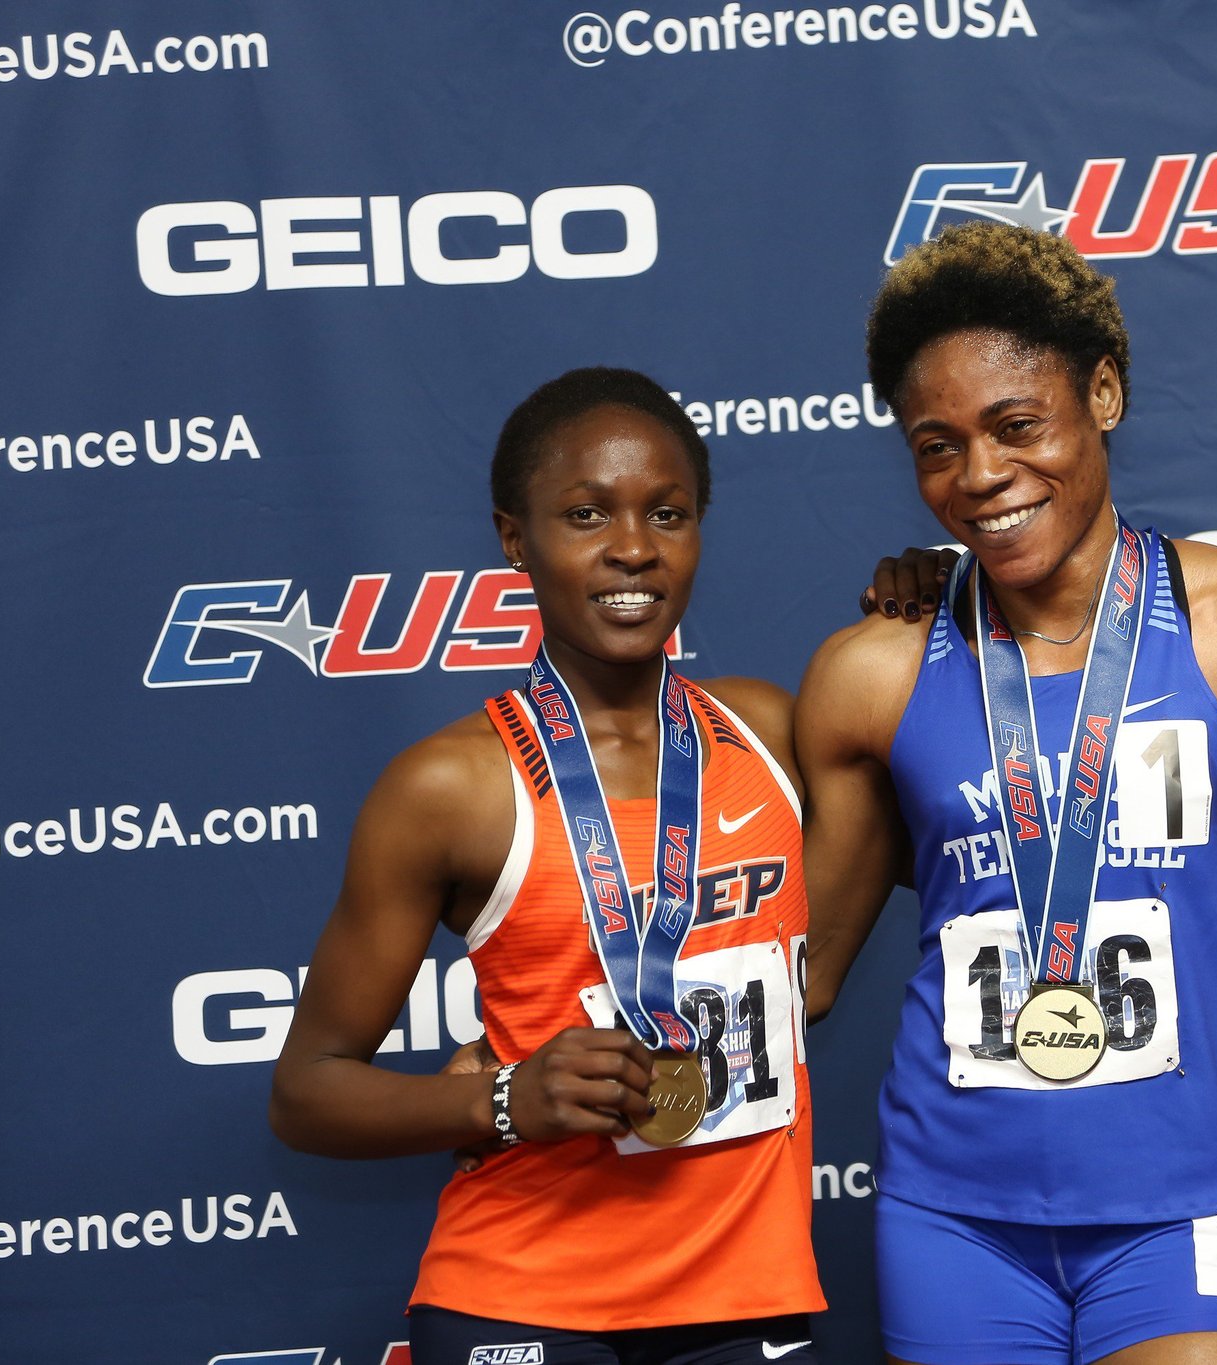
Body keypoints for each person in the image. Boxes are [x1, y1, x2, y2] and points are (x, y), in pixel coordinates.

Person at [796, 222, 1217, 1365]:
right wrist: (547, 1049)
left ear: (1101, 393)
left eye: (1016, 427)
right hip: (950, 1210)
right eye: (937, 447)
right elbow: (800, 975)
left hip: (1183, 1203)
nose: (979, 477)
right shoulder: (872, 672)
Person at [269, 368, 824, 1365]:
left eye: (667, 512)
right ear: (514, 538)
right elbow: (306, 1093)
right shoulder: (450, 786)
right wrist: (502, 1098)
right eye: (585, 513)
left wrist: (937, 596)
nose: (633, 547)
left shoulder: (772, 733)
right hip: (520, 1300)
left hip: (745, 1298)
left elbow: (957, 786)